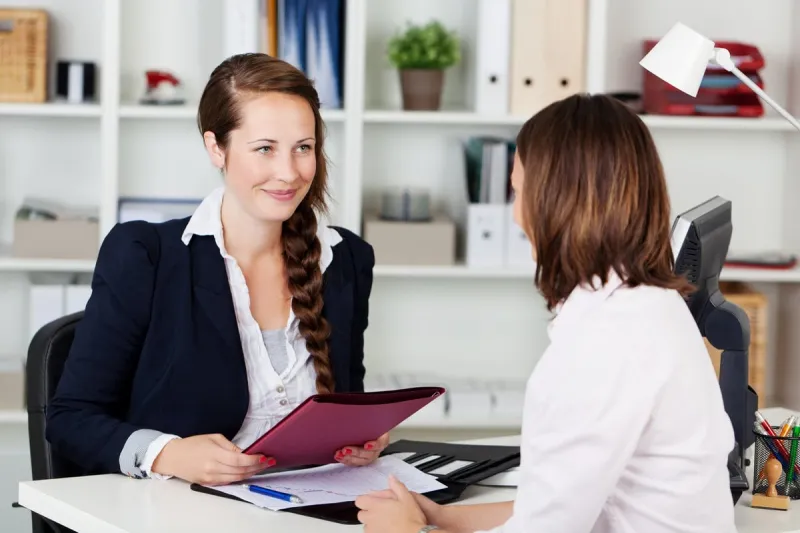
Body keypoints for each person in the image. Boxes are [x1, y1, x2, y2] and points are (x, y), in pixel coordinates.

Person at [355, 93, 737, 533]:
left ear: (556, 202)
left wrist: (405, 531)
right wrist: (443, 517)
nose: (516, 216)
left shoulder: (606, 342)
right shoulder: (651, 305)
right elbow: (560, 506)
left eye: (518, 192)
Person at [46, 53, 387, 486]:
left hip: (307, 508)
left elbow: (345, 404)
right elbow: (69, 418)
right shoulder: (145, 256)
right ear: (216, 148)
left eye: (303, 148)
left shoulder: (345, 259)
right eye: (265, 148)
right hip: (180, 513)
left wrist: (360, 440)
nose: (288, 173)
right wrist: (167, 453)